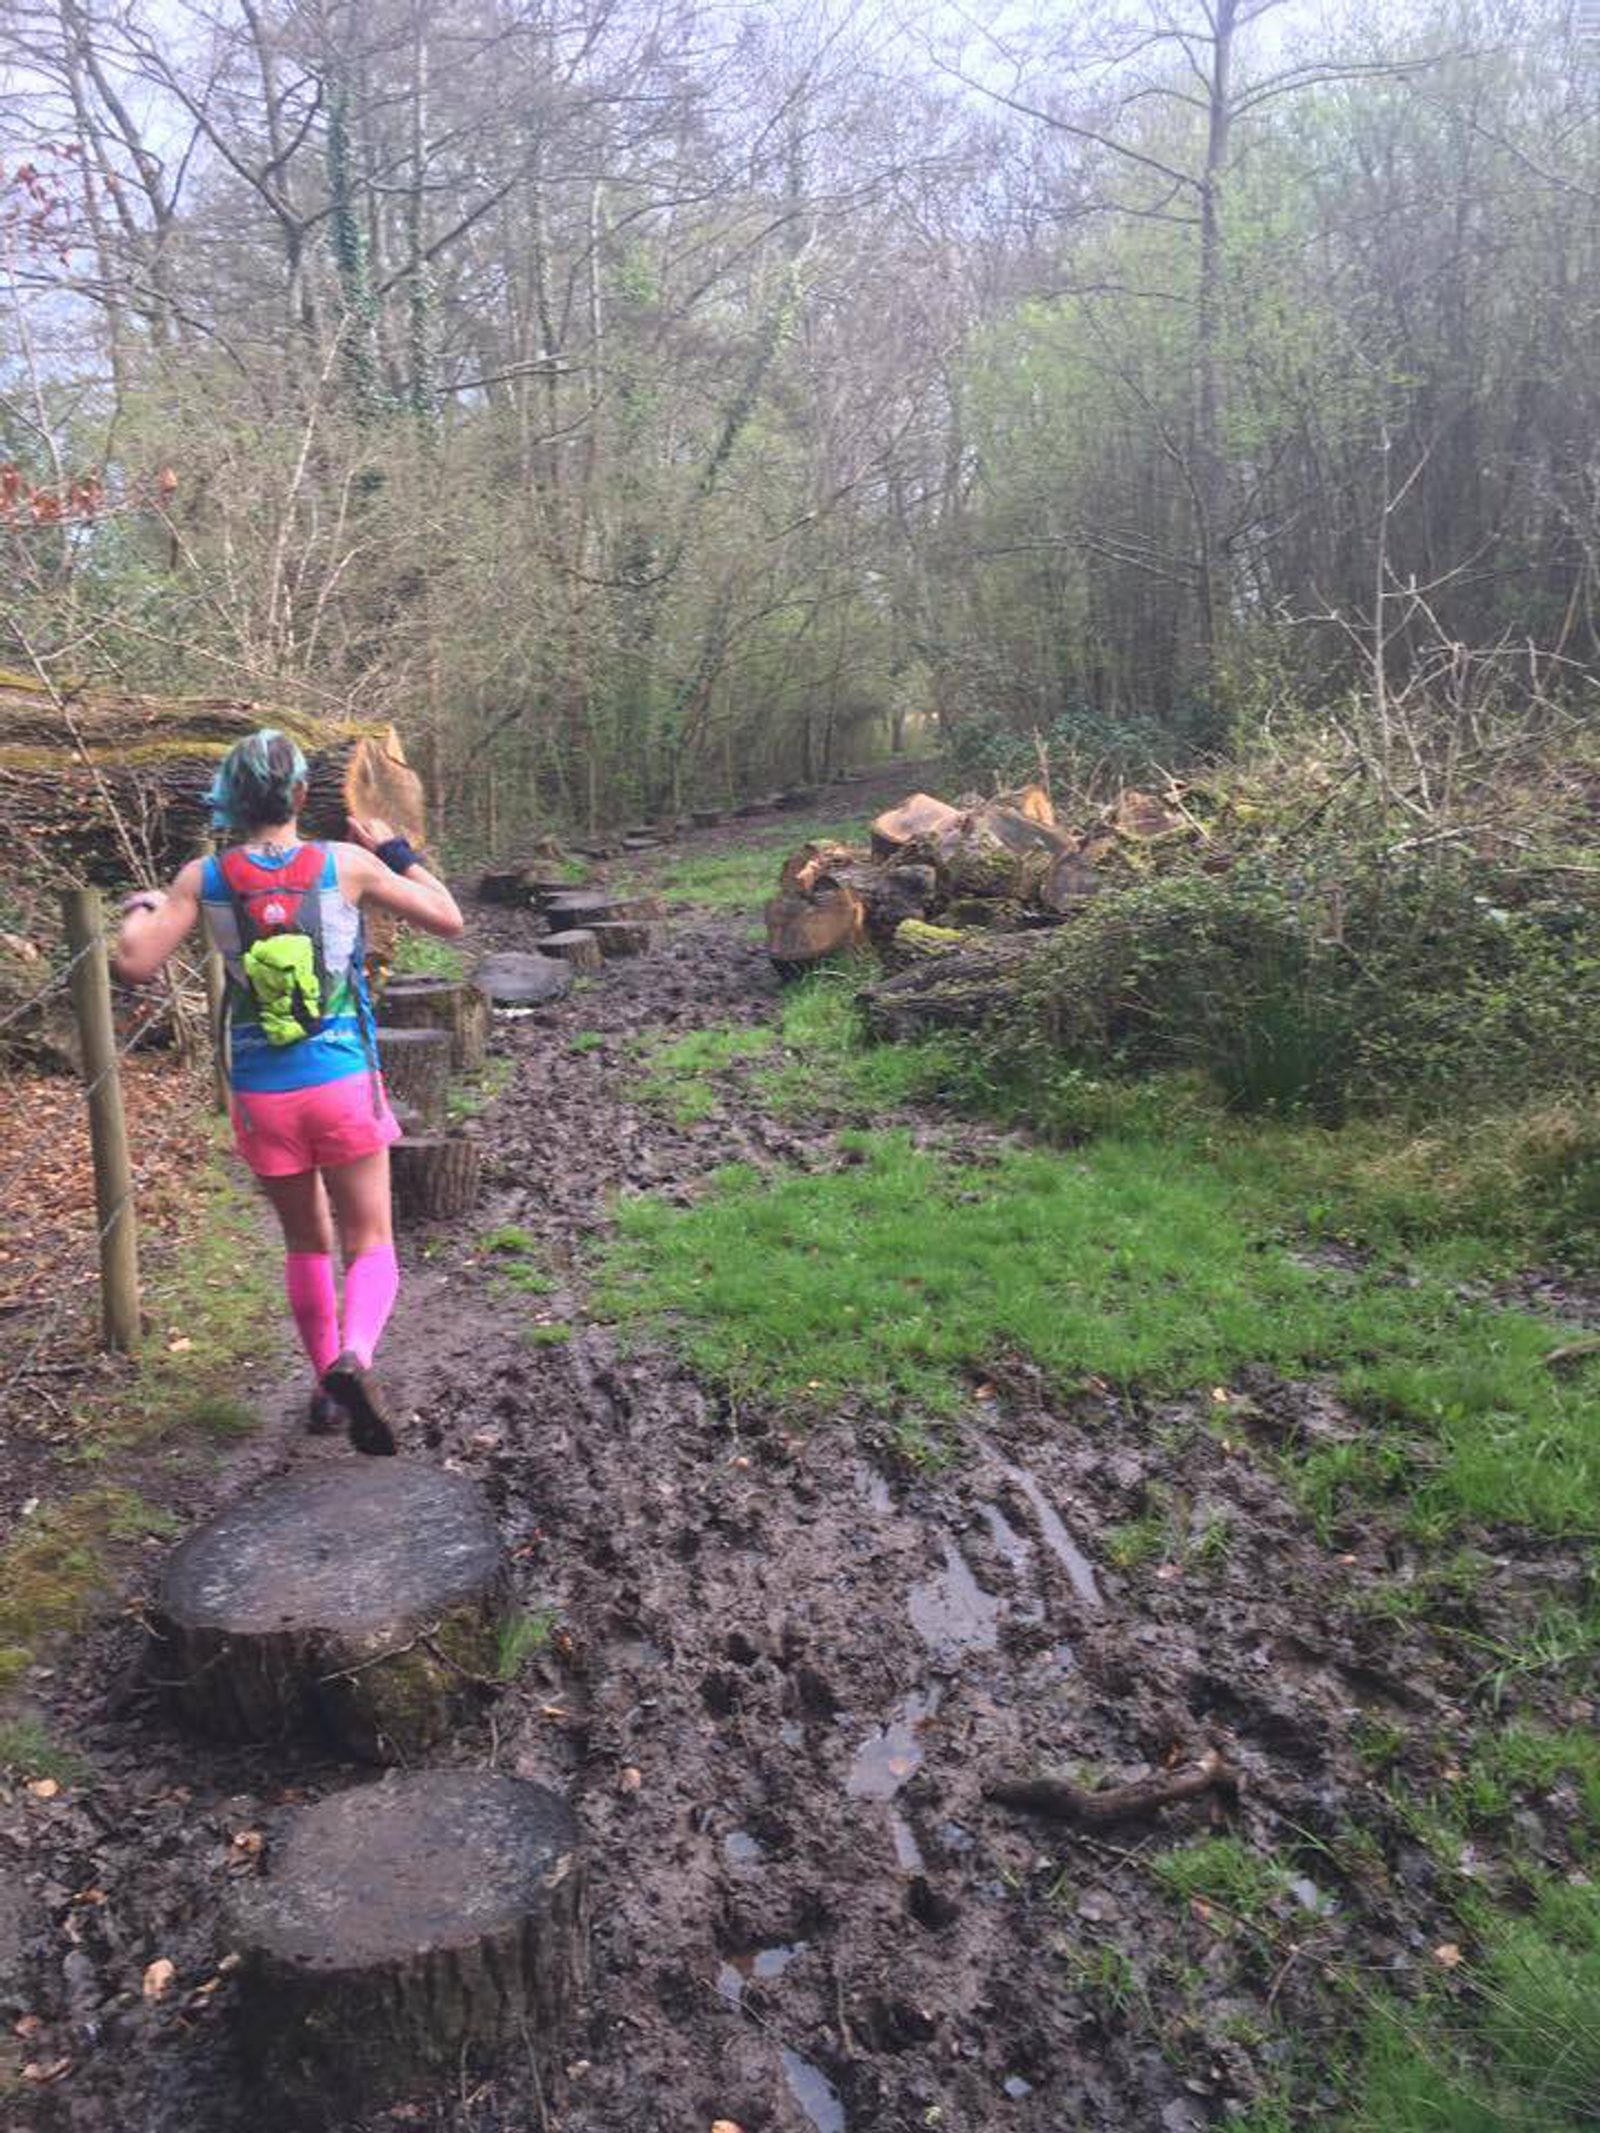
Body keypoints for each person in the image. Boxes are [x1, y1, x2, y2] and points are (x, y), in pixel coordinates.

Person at [113, 728, 464, 1454]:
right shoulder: (346, 863)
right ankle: (355, 1359)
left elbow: (136, 963)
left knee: (306, 1241)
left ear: (229, 802)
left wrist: (141, 910)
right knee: (371, 1241)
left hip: (263, 1093)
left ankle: (326, 1392)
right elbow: (448, 916)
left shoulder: (202, 878)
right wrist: (396, 849)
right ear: (303, 795)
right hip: (340, 1082)